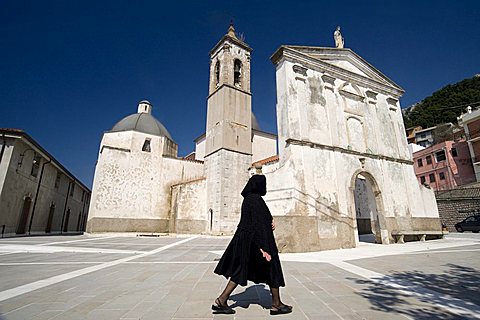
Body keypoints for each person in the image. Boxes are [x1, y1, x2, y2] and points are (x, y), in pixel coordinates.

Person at [212, 174, 292, 315]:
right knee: (272, 267)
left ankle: (222, 300)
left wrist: (270, 220)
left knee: (240, 270)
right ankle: (276, 304)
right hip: (255, 241)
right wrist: (264, 248)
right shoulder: (255, 200)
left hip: (247, 241)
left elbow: (260, 219)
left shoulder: (250, 199)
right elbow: (257, 224)